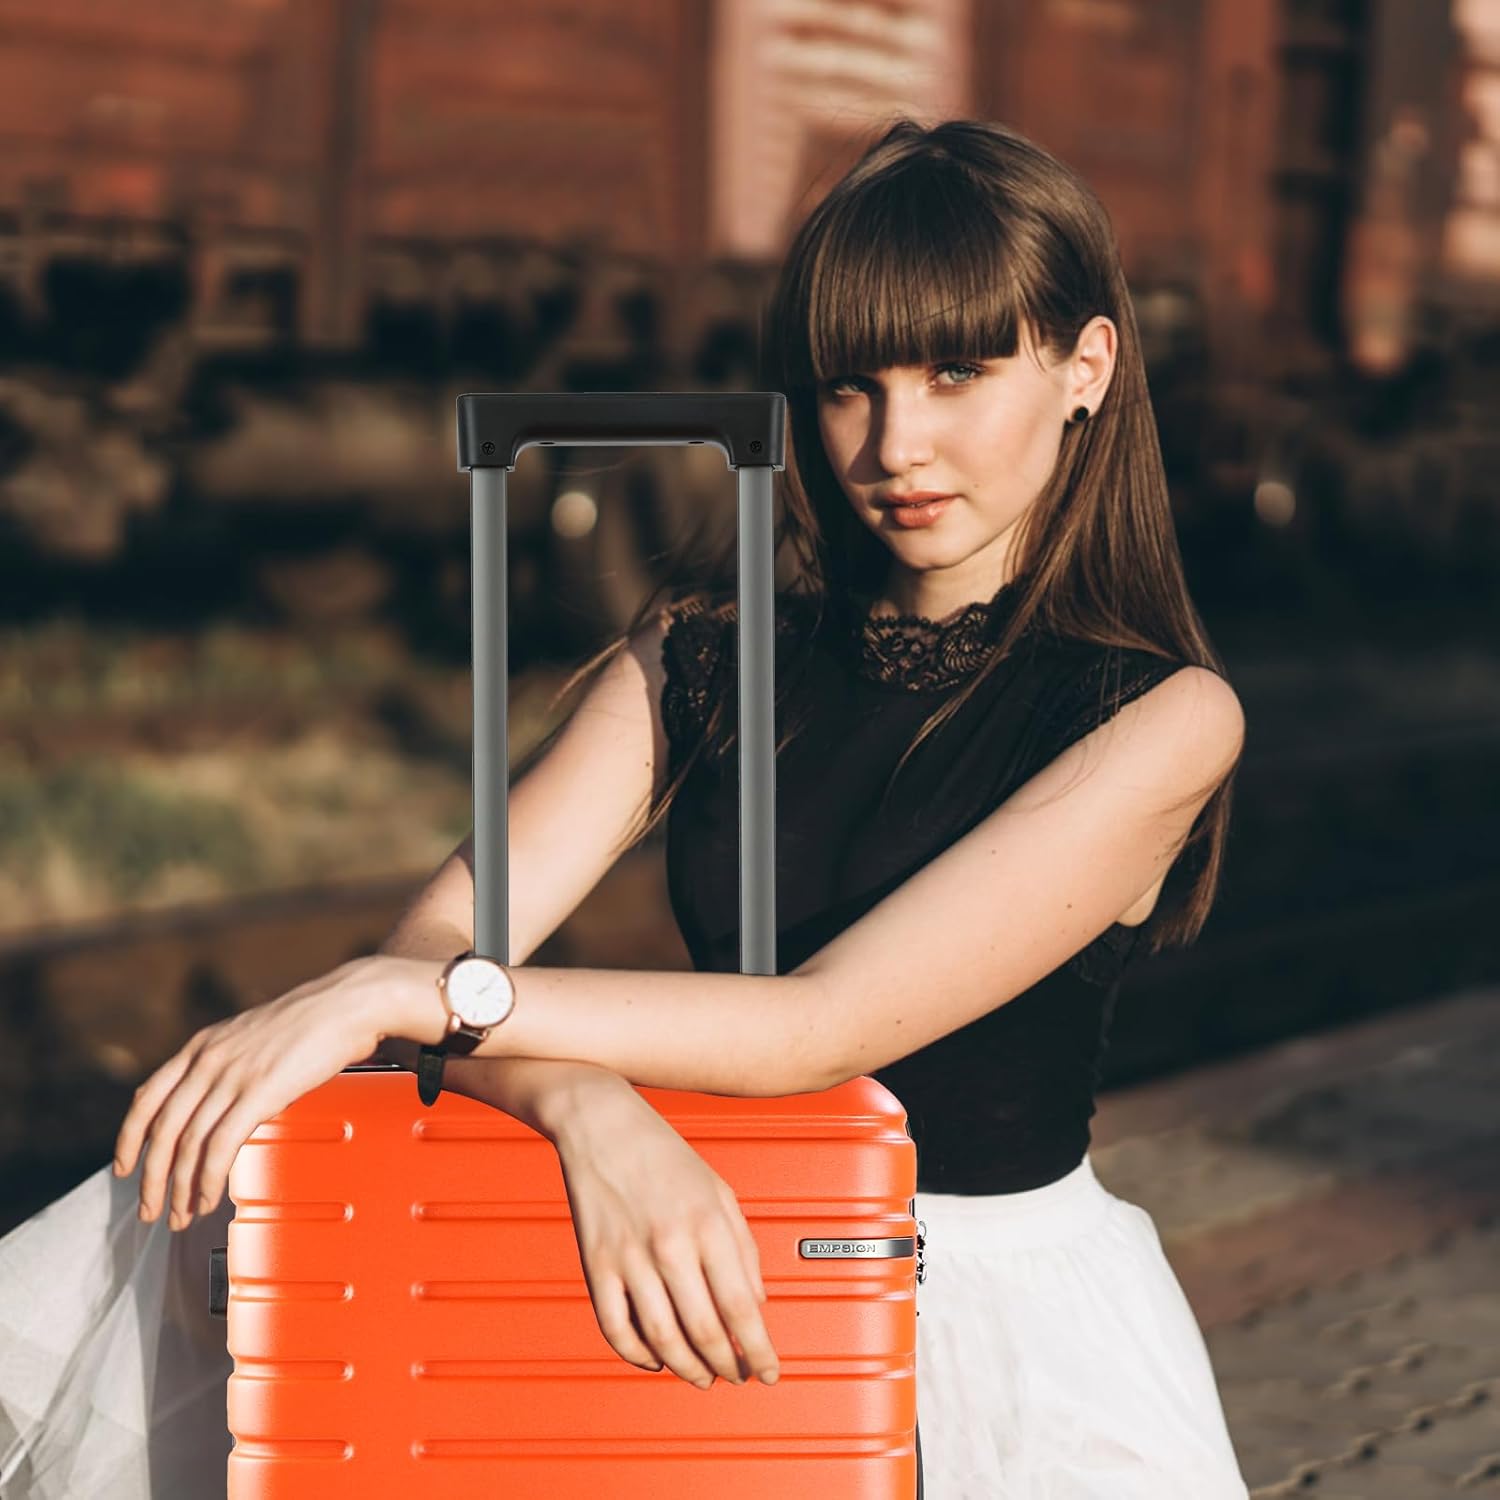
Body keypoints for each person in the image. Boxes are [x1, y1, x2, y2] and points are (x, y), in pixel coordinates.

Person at [0, 118, 1250, 1498]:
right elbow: (433, 953)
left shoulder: (1157, 719)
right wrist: (590, 1113)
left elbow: (819, 1027)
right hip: (694, 1253)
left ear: (1087, 368)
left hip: (996, 1344)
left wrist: (410, 1003)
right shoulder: (704, 658)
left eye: (960, 372)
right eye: (852, 387)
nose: (897, 443)